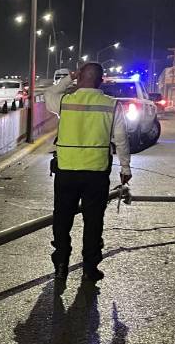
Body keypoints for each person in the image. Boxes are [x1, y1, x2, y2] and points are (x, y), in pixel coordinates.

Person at [45, 62, 132, 287]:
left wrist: (68, 79)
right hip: (96, 174)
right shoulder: (111, 105)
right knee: (93, 222)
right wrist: (125, 168)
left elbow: (49, 93)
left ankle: (61, 266)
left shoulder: (65, 101)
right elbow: (121, 139)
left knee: (62, 220)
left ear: (79, 78)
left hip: (67, 172)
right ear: (101, 80)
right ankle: (90, 270)